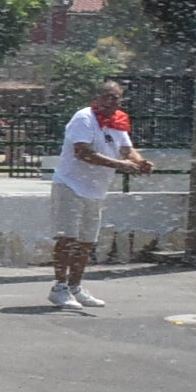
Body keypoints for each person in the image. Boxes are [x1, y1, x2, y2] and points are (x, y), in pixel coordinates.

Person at [50, 79, 152, 310]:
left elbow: (127, 150)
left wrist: (139, 162)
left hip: (95, 190)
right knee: (67, 237)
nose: (111, 101)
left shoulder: (117, 122)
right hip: (70, 185)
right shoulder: (84, 118)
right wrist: (121, 165)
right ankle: (59, 287)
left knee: (86, 241)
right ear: (96, 97)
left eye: (116, 97)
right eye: (107, 96)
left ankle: (76, 287)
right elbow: (83, 152)